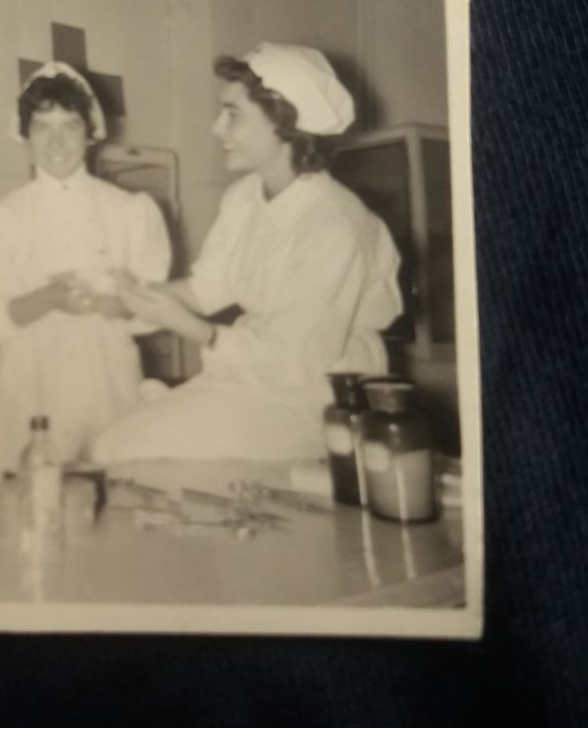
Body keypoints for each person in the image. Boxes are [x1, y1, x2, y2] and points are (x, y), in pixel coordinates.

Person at [91, 43, 402, 463]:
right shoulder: (243, 198)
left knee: (127, 450)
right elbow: (209, 286)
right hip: (252, 377)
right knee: (113, 441)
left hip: (318, 399)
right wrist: (132, 298)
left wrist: (189, 326)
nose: (217, 128)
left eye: (233, 114)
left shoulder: (335, 226)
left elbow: (294, 363)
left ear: (283, 122)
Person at [0, 62, 171, 480]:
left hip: (109, 389)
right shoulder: (1, 217)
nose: (56, 142)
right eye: (42, 127)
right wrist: (50, 298)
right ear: (25, 135)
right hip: (28, 394)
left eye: (70, 126)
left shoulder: (132, 212)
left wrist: (116, 303)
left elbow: (156, 308)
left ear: (90, 132)